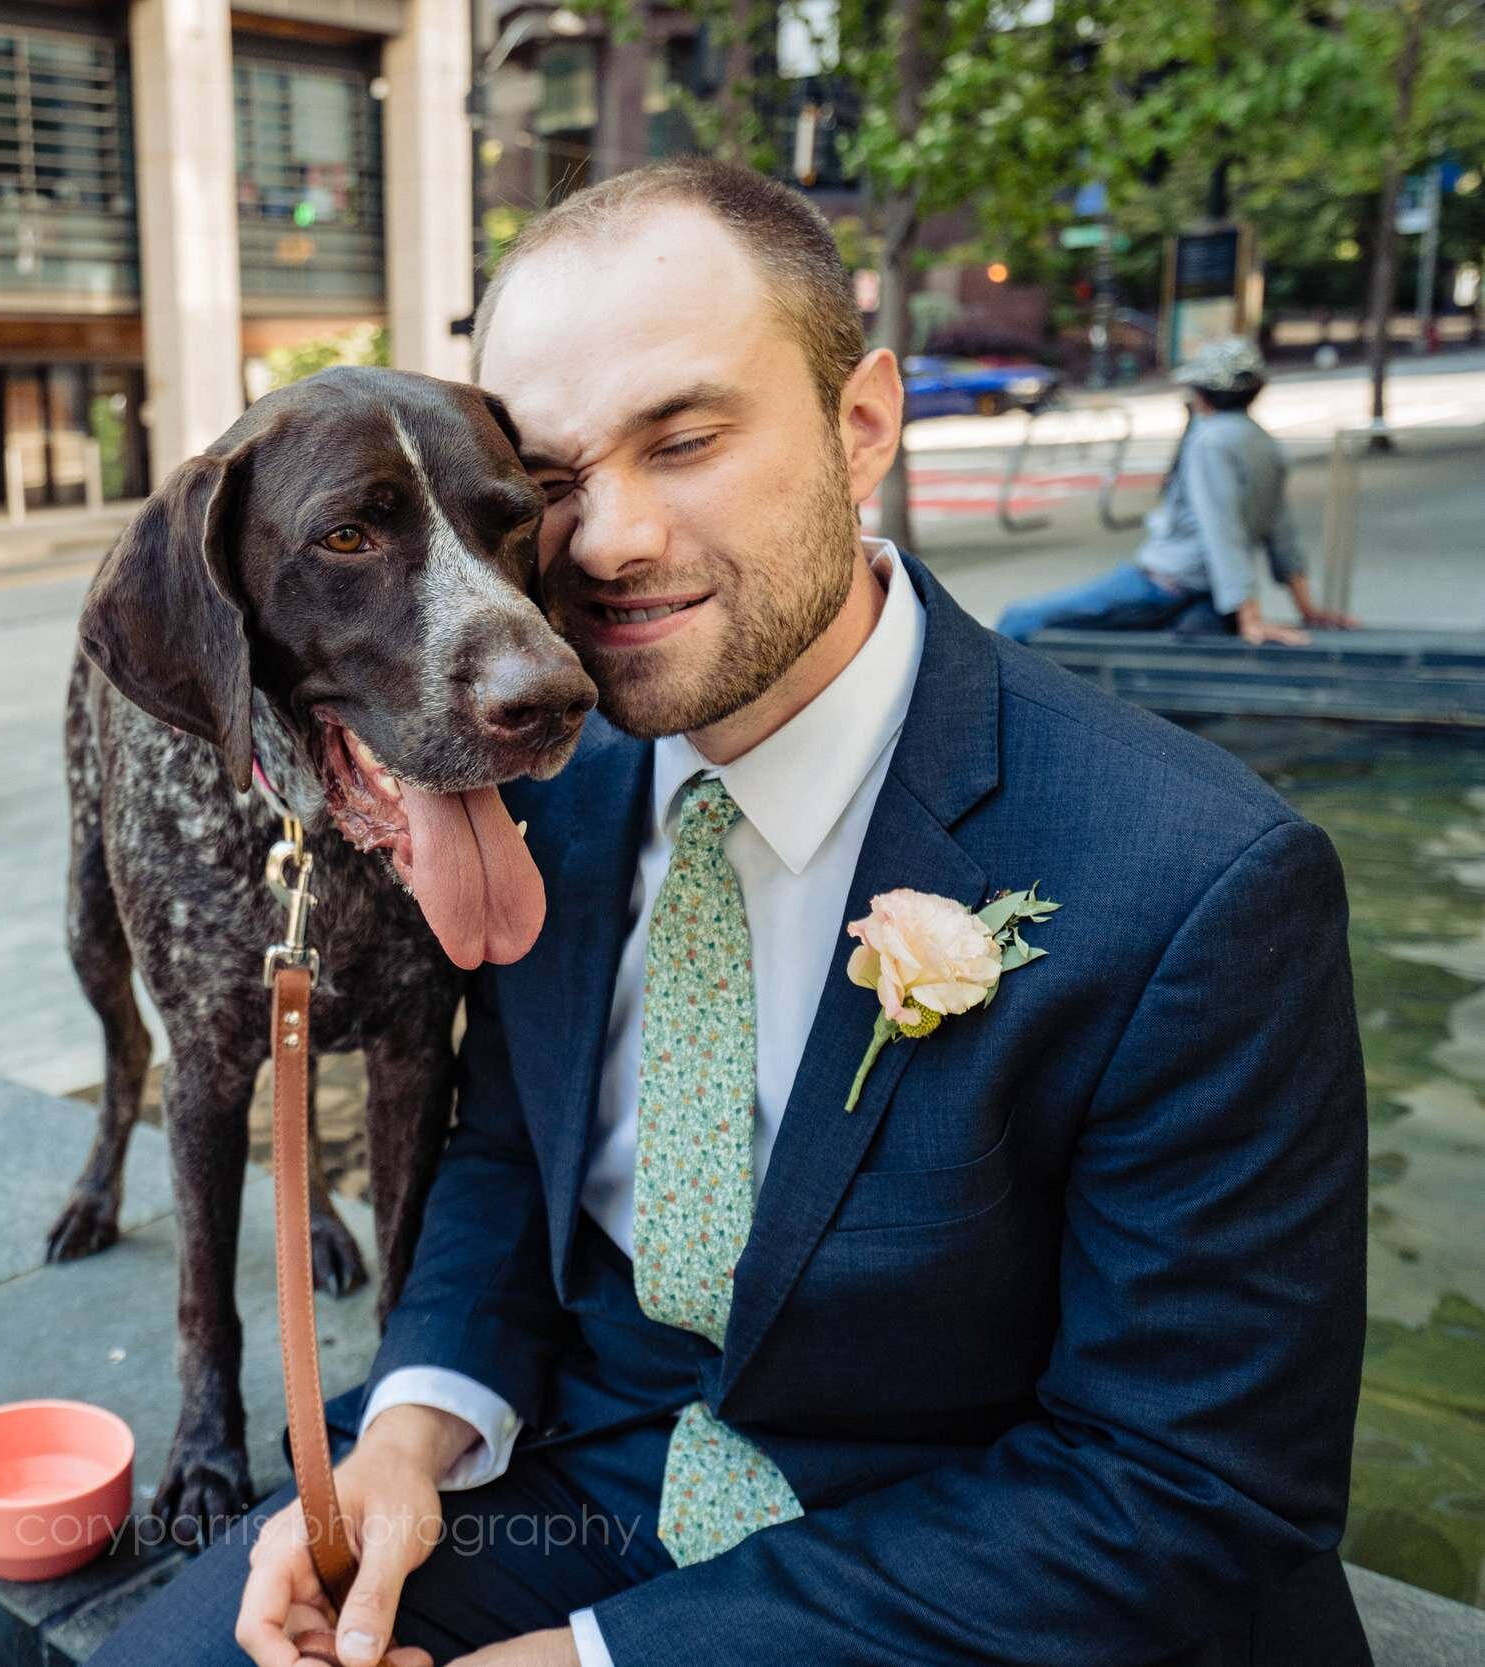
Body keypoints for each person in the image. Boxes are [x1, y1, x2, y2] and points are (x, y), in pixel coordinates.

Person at [87, 158, 1368, 1667]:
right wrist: (410, 1436)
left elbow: (1187, 1494)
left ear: (863, 422)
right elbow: (502, 1149)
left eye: (685, 439)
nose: (612, 540)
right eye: (556, 482)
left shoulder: (1204, 880)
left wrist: (599, 1660)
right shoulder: (528, 797)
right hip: (582, 1458)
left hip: (961, 1543)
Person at [996, 338, 1357, 646]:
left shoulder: (1210, 441)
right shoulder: (1262, 442)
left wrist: (1249, 617)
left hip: (1167, 585)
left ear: (1202, 394)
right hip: (1208, 594)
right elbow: (1281, 532)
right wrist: (1307, 609)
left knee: (1018, 620)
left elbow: (1222, 527)